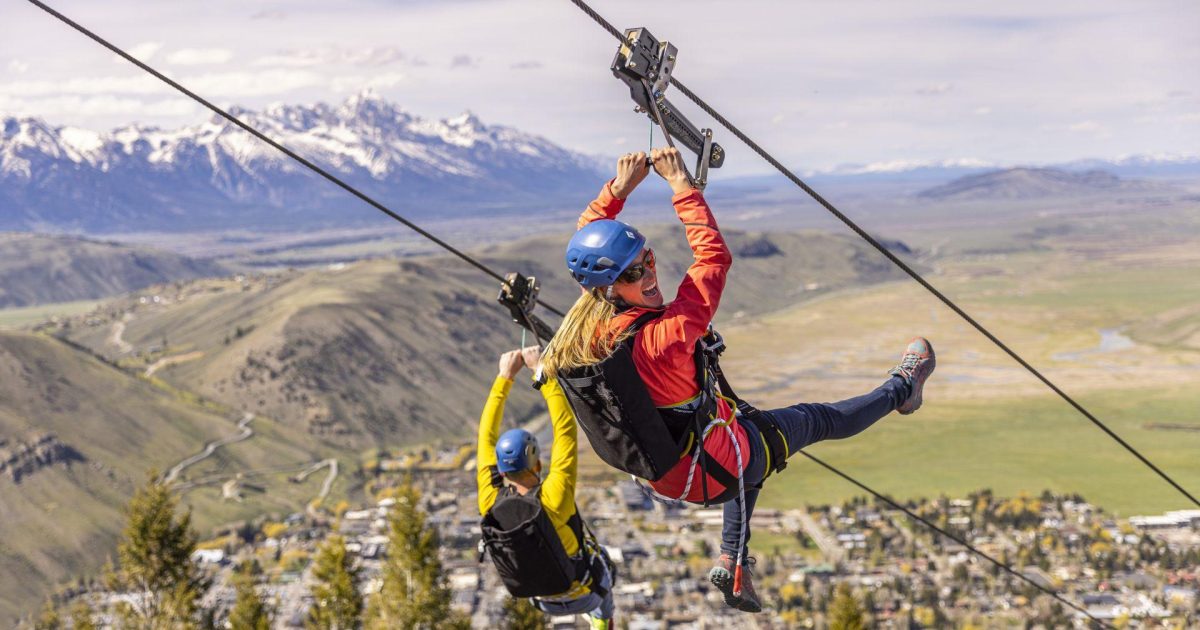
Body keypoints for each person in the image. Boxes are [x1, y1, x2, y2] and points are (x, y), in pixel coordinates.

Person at [542, 148, 936, 613]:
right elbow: (712, 260)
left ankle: (734, 559)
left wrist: (618, 189)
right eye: (634, 271)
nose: (649, 272)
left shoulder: (589, 329)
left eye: (646, 257)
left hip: (669, 470)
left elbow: (586, 244)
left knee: (750, 438)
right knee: (813, 421)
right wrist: (680, 185)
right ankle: (903, 389)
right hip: (712, 467)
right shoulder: (665, 337)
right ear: (608, 287)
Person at [477, 346, 615, 629]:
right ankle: (602, 621)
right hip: (584, 595)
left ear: (500, 468)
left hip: (537, 598)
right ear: (536, 463)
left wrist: (505, 377)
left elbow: (485, 439)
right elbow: (564, 428)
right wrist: (542, 371)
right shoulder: (555, 495)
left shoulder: (490, 500)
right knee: (605, 564)